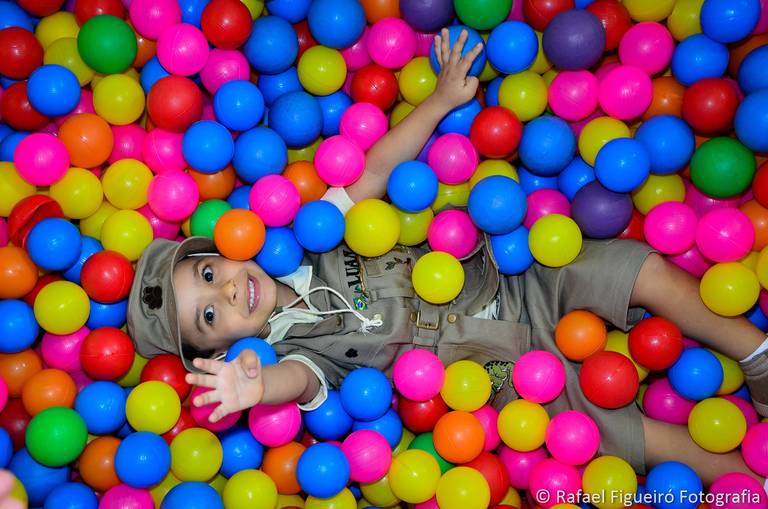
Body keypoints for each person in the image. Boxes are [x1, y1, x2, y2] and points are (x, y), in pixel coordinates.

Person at [127, 30, 768, 486]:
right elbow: (299, 385)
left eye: (208, 275)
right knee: (648, 447)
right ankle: (753, 482)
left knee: (642, 269)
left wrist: (440, 101)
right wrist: (258, 386)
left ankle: (756, 357)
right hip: (508, 385)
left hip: (518, 278)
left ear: (222, 250)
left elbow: (377, 170)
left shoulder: (309, 231)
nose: (227, 293)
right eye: (208, 316)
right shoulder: (297, 356)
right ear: (220, 352)